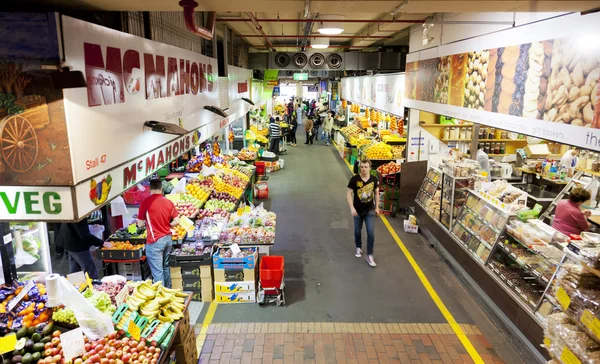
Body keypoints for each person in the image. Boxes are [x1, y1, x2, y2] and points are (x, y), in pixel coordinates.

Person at [137, 179, 180, 287]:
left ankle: (161, 298)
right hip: (167, 239)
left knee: (157, 272)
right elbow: (177, 221)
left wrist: (147, 222)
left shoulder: (145, 203)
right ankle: (168, 292)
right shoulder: (168, 202)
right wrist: (168, 225)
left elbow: (140, 224)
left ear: (150, 189)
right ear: (161, 189)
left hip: (155, 241)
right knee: (165, 267)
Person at [347, 159, 380, 267]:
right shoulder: (354, 179)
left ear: (370, 168)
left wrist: (377, 207)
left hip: (369, 210)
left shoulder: (374, 179)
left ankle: (370, 255)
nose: (363, 169)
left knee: (371, 232)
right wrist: (352, 208)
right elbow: (348, 193)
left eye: (366, 167)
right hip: (357, 211)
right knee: (357, 230)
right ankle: (358, 247)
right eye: (362, 167)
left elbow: (376, 193)